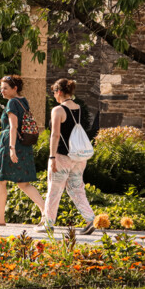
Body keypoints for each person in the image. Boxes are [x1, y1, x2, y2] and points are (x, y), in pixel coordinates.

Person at [40, 78, 95, 234]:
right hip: (78, 157)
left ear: (59, 92)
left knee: (54, 190)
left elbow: (55, 135)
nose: (54, 96)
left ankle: (48, 224)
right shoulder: (78, 108)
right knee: (77, 189)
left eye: (54, 93)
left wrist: (51, 157)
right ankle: (90, 219)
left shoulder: (57, 110)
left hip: (62, 156)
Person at [0, 75, 45, 226]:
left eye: (5, 88)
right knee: (23, 183)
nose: (2, 91)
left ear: (15, 88)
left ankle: (0, 218)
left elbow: (13, 126)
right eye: (1, 88)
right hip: (24, 145)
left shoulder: (12, 103)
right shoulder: (23, 101)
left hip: (12, 143)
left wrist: (11, 148)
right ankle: (45, 211)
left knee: (0, 180)